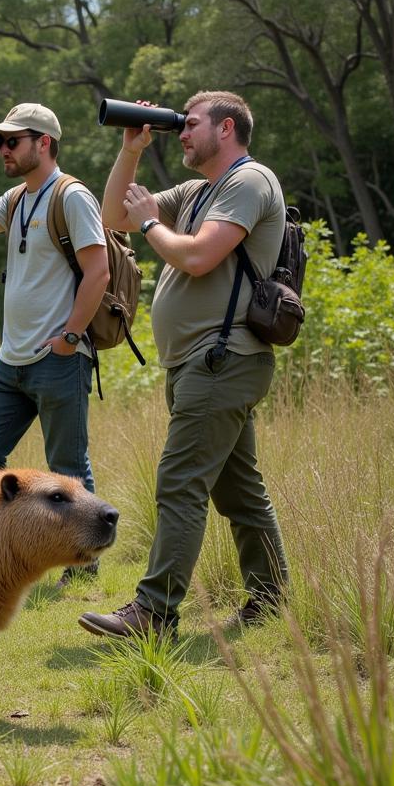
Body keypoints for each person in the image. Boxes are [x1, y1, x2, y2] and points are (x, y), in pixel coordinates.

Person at [79, 90, 289, 640]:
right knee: (239, 491)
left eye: (190, 124)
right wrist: (131, 148)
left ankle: (154, 612)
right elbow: (112, 217)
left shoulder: (249, 182)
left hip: (224, 359)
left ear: (226, 129)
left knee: (179, 484)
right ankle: (272, 599)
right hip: (199, 363)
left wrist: (152, 225)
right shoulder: (198, 190)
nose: (183, 131)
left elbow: (197, 257)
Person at [0, 102, 110, 585]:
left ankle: (83, 566)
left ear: (44, 143)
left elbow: (98, 270)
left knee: (67, 469)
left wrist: (70, 336)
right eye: (0, 141)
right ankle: (7, 549)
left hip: (58, 358)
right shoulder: (17, 198)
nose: (3, 150)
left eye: (12, 141)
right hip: (10, 361)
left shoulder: (71, 196)